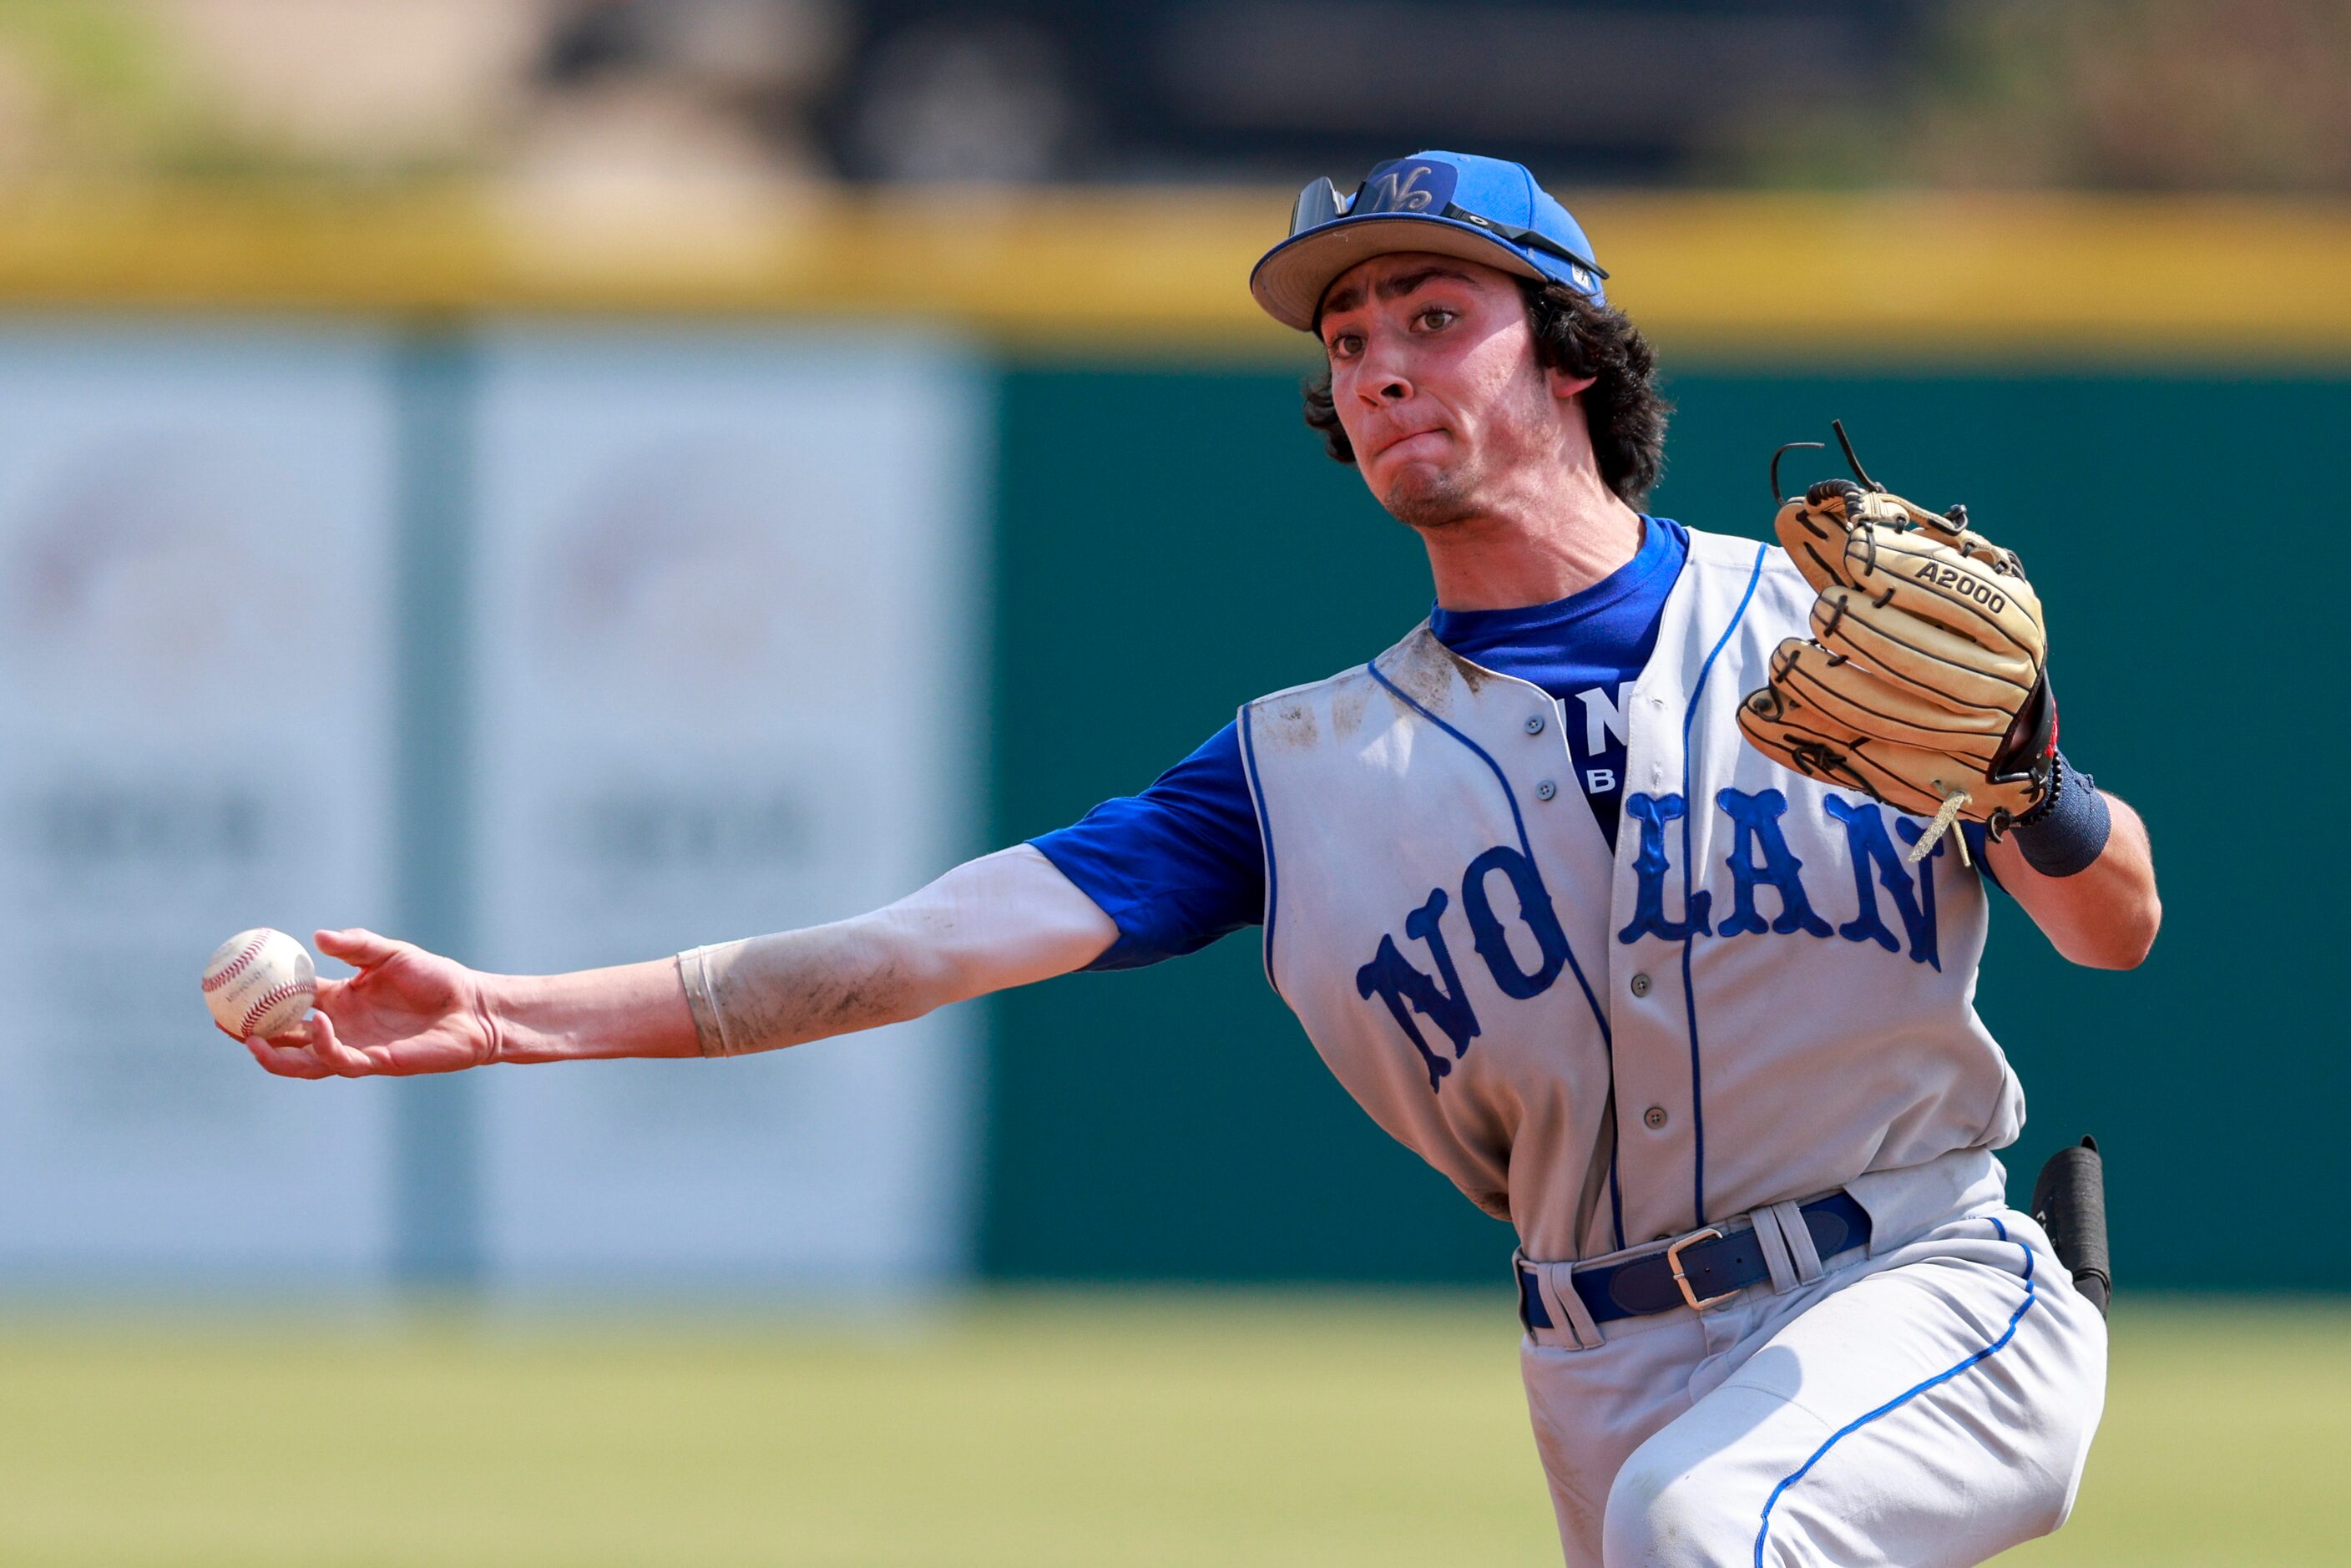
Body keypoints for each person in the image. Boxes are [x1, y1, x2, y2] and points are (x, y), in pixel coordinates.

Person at [245, 151, 2159, 1567]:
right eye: (1349, 339)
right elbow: (910, 950)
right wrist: (504, 1014)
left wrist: (2032, 784)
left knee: (1714, 1530)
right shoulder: (1298, 770)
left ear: (1570, 357)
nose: (1383, 363)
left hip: (1918, 1282)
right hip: (1596, 1360)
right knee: (1688, 1518)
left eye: (1435, 315)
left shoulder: (1828, 630)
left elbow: (2115, 925)